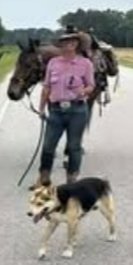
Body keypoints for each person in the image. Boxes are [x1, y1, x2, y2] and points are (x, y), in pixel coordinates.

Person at [34, 31, 95, 186]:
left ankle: (72, 178)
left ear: (77, 44)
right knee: (48, 146)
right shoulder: (53, 63)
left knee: (74, 146)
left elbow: (91, 85)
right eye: (66, 40)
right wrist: (41, 108)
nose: (70, 43)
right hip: (56, 110)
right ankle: (44, 175)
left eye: (73, 40)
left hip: (78, 110)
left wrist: (84, 91)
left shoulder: (85, 64)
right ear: (60, 44)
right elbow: (46, 87)